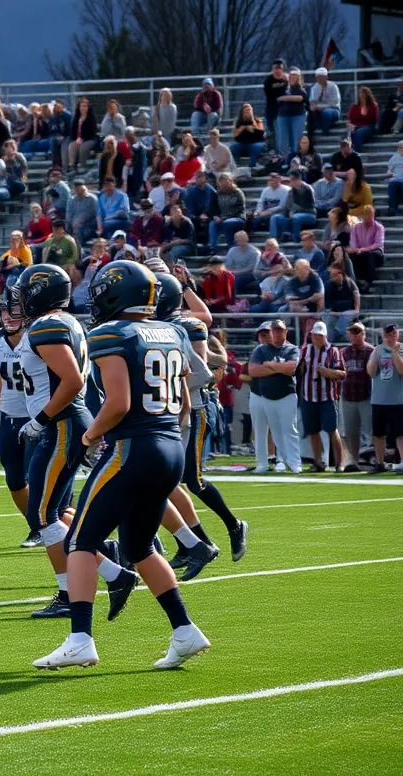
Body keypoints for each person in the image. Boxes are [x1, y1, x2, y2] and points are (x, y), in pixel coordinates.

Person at [34, 261, 209, 670]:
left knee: (80, 540)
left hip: (132, 447)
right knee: (138, 546)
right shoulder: (173, 331)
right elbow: (184, 403)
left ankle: (80, 639)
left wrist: (90, 435)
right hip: (169, 447)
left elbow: (118, 403)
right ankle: (184, 631)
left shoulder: (112, 333)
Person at [16, 264, 130, 620]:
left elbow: (72, 382)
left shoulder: (49, 325)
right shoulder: (63, 323)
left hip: (62, 423)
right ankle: (102, 570)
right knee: (51, 511)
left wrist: (40, 419)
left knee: (43, 513)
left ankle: (101, 579)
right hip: (64, 422)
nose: (20, 297)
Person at [154, 273, 248, 565]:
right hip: (167, 410)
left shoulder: (186, 326)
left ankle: (231, 527)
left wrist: (168, 383)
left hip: (191, 409)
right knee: (165, 482)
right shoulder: (156, 327)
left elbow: (201, 372)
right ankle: (192, 543)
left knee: (190, 480)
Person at [0, 289, 41, 547]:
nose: (9, 316)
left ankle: (56, 525)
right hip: (9, 417)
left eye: (15, 310)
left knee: (40, 478)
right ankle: (36, 527)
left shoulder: (37, 338)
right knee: (15, 481)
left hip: (38, 417)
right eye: (5, 310)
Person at [249, 319, 301, 473]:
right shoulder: (261, 350)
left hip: (286, 394)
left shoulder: (291, 349)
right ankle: (267, 463)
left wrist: (268, 365)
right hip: (265, 396)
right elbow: (253, 371)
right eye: (274, 330)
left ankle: (294, 463)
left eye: (280, 330)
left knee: (289, 429)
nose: (276, 333)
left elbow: (291, 369)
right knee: (273, 432)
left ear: (285, 332)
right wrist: (279, 368)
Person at [297, 321, 345, 473]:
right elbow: (297, 371)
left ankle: (340, 463)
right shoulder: (304, 350)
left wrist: (327, 372)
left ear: (325, 336)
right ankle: (318, 462)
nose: (317, 337)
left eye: (319, 335)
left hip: (327, 397)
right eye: (314, 335)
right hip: (308, 396)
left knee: (332, 430)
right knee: (313, 431)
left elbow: (342, 374)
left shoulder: (334, 351)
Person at [367, 324, 403, 474]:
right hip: (379, 400)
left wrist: (395, 354)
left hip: (397, 401)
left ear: (397, 334)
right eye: (387, 334)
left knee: (400, 434)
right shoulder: (377, 350)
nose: (390, 337)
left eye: (393, 334)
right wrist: (377, 352)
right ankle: (380, 463)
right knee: (379, 434)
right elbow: (371, 372)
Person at [339, 322, 374, 472]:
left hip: (366, 396)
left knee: (370, 430)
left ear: (364, 334)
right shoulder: (343, 352)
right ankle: (354, 460)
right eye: (352, 332)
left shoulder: (371, 351)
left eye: (357, 332)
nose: (354, 335)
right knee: (351, 432)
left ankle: (376, 459)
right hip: (348, 396)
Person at [347, 204, 385, 292]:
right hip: (361, 251)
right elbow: (354, 242)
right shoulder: (356, 227)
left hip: (375, 252)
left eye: (370, 215)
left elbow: (377, 244)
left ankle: (371, 280)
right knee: (351, 256)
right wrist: (355, 249)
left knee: (370, 255)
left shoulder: (379, 227)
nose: (368, 217)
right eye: (366, 215)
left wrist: (363, 250)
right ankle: (356, 280)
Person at [307, 68, 341, 137]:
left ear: (326, 77)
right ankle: (310, 136)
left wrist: (322, 107)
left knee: (326, 113)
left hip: (333, 109)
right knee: (310, 113)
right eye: (318, 77)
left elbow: (335, 102)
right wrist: (314, 107)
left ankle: (325, 134)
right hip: (318, 109)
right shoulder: (314, 88)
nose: (320, 79)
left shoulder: (333, 86)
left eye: (321, 77)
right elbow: (311, 102)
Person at [229, 104, 266, 168]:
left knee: (256, 147)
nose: (248, 112)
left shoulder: (258, 121)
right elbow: (235, 135)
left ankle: (252, 167)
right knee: (233, 147)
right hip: (242, 144)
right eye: (246, 110)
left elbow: (261, 132)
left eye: (250, 110)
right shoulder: (237, 122)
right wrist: (243, 128)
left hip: (255, 143)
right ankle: (236, 166)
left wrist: (252, 121)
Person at [387, 140, 403, 216]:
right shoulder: (394, 158)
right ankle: (392, 208)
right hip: (396, 177)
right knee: (392, 183)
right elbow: (389, 170)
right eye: (401, 148)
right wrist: (389, 173)